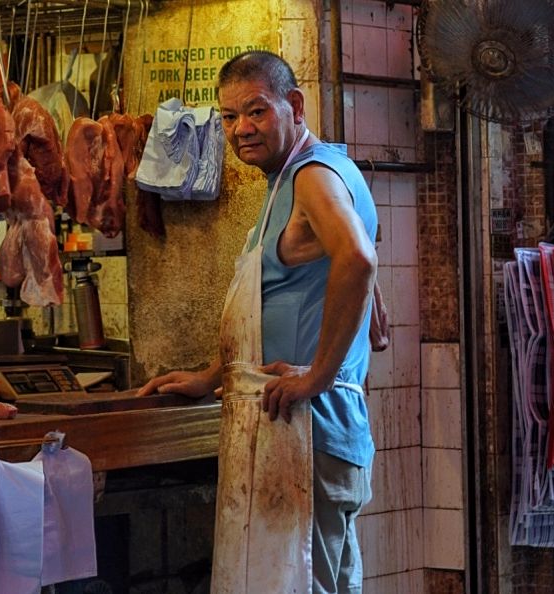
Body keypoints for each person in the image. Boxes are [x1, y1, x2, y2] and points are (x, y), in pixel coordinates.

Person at [138, 50, 378, 593]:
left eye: (256, 112)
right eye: (228, 117)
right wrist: (213, 375)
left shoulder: (313, 177)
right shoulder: (306, 176)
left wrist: (315, 376)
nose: (240, 129)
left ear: (293, 105)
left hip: (311, 430)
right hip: (294, 428)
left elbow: (359, 260)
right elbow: (330, 290)